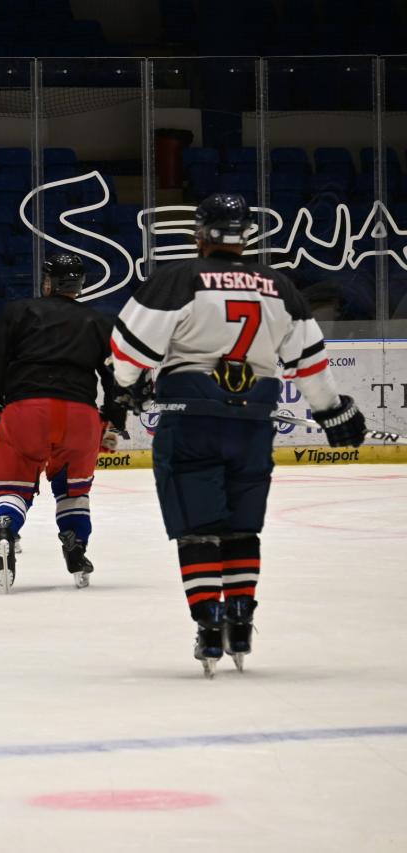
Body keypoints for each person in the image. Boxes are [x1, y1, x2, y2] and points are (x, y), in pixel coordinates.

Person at [110, 193, 366, 676]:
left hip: (191, 421)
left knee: (198, 529)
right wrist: (331, 411)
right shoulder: (280, 287)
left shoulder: (179, 278)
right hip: (252, 425)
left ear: (199, 234)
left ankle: (209, 624)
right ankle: (242, 620)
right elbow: (310, 364)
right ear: (247, 235)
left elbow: (128, 352)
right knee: (242, 526)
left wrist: (130, 385)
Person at [0, 252, 127, 592]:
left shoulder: (19, 311)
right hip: (80, 416)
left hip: (27, 411)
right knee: (73, 490)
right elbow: (116, 375)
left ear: (47, 282)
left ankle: (4, 527)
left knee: (12, 487)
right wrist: (113, 420)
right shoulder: (98, 321)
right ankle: (76, 548)